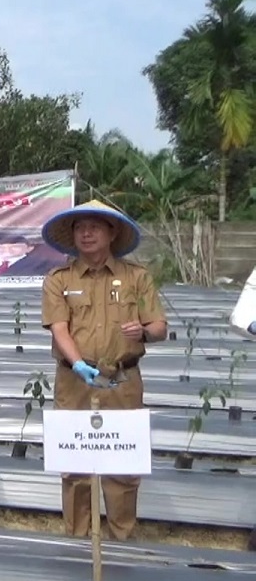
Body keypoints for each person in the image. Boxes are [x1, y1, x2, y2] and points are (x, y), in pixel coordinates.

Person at [40, 199, 167, 541]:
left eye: (95, 227)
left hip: (122, 381)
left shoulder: (136, 278)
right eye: (80, 228)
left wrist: (143, 332)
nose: (87, 234)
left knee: (123, 466)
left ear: (112, 233)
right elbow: (59, 327)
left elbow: (159, 327)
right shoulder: (59, 280)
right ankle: (77, 540)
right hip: (74, 381)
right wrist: (79, 363)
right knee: (75, 466)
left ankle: (122, 539)